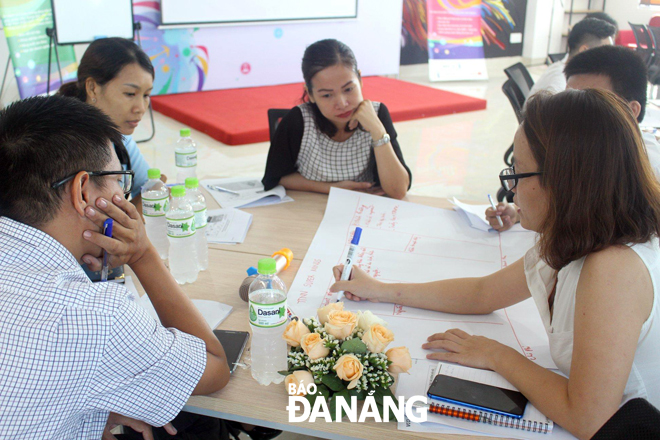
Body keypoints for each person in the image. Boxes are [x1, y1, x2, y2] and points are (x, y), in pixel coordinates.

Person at [331, 89, 660, 439]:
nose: (511, 191)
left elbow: (588, 417)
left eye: (518, 173)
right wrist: (379, 290)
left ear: (565, 181)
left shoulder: (614, 269)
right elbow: (482, 293)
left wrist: (498, 355)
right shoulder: (572, 234)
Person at [0, 95, 230, 438]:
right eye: (118, 180)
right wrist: (142, 254)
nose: (123, 192)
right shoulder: (95, 315)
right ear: (82, 192)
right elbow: (214, 368)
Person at [488, 46, 657, 231]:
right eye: (567, 96)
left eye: (588, 102)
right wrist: (519, 210)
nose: (568, 111)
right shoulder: (584, 150)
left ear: (630, 111)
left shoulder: (645, 167)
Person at [262, 39, 411, 200]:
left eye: (348, 89)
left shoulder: (377, 113)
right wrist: (331, 188)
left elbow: (398, 191)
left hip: (361, 210)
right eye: (327, 95)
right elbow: (274, 178)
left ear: (360, 80)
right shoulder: (298, 121)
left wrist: (378, 131)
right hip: (308, 207)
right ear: (310, 94)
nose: (342, 103)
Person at [59, 37, 154, 211]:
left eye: (146, 95)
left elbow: (152, 186)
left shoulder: (120, 137)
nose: (140, 108)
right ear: (93, 88)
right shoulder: (61, 144)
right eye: (130, 93)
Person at [528, 18, 616, 96]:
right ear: (584, 50)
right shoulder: (561, 81)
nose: (608, 58)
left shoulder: (565, 69)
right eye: (605, 51)